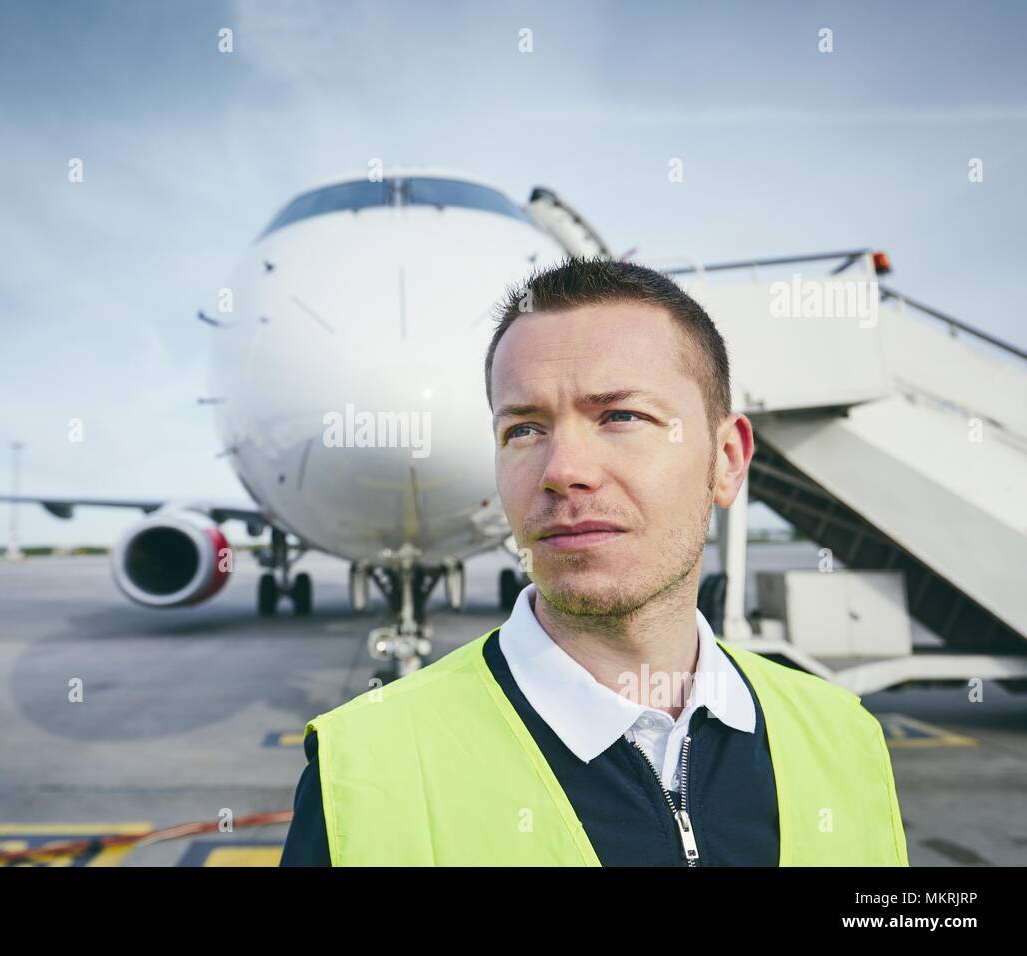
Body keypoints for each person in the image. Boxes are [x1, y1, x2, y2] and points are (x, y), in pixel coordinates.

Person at [280, 256, 907, 866]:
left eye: (621, 416)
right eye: (523, 429)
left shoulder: (845, 738)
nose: (563, 472)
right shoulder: (362, 772)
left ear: (727, 460)